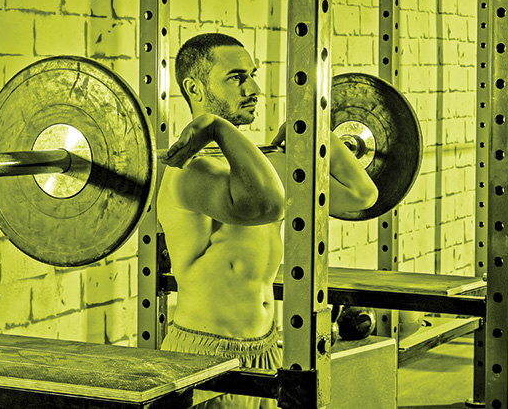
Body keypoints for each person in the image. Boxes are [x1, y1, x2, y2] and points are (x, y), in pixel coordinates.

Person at [158, 32, 379, 409]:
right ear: (195, 89)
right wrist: (219, 127)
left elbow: (363, 195)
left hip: (266, 350)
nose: (254, 88)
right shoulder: (191, 171)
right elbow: (266, 206)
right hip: (205, 356)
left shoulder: (259, 165)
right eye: (236, 77)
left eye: (253, 75)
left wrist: (318, 133)